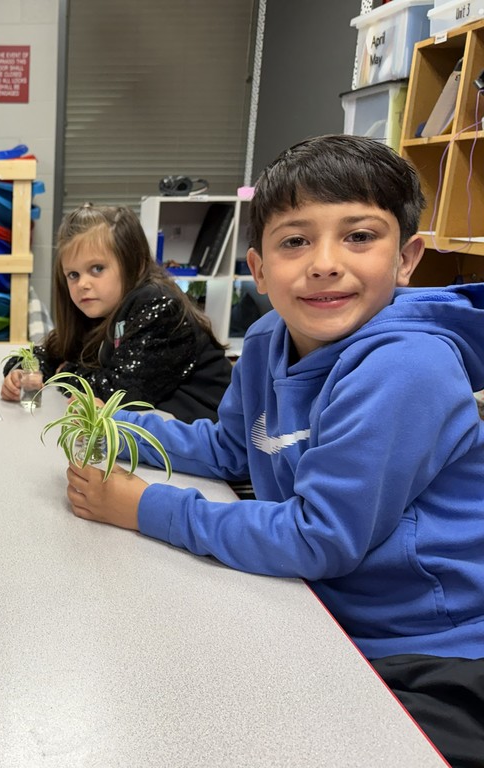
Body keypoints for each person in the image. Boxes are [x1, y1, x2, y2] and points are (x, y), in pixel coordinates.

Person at [64, 135, 484, 767]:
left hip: (429, 650)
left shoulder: (407, 367)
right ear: (259, 269)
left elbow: (319, 536)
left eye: (359, 236)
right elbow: (233, 448)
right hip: (317, 609)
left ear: (407, 257)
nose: (323, 263)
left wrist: (142, 506)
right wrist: (122, 430)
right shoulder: (266, 338)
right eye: (295, 241)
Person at [1, 204, 232, 422]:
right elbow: (47, 353)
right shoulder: (97, 311)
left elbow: (118, 393)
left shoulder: (160, 308)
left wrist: (65, 372)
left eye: (97, 269)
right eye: (73, 275)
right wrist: (23, 372)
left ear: (135, 264)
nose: (82, 284)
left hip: (207, 446)